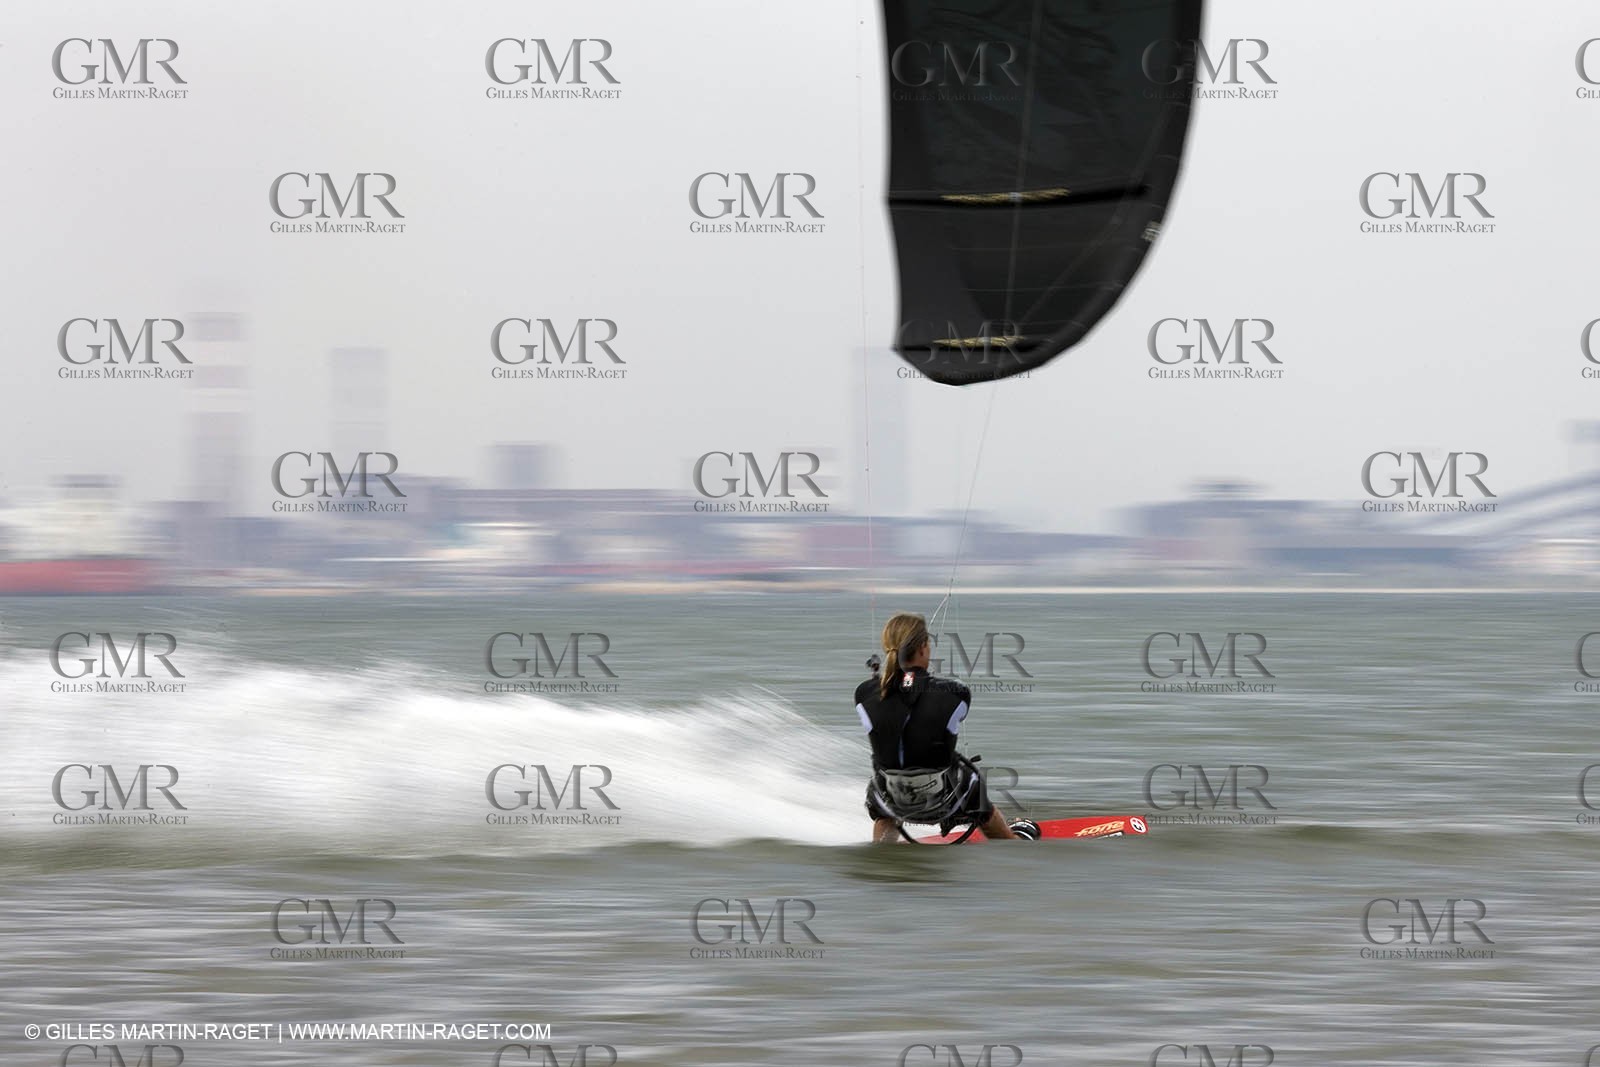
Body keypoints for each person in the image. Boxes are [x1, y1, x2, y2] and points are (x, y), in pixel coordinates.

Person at [854, 611, 1039, 843]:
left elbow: (901, 700)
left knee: (883, 792)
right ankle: (1012, 840)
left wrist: (894, 684)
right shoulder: (955, 693)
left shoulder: (864, 693)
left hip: (892, 801)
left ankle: (882, 850)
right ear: (923, 648)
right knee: (976, 792)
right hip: (946, 800)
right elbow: (918, 703)